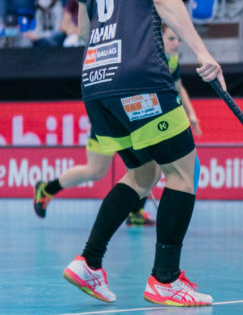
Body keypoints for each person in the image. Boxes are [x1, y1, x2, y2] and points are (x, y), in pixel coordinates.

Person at [58, 0, 223, 306]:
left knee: (143, 171)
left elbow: (87, 26)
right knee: (183, 171)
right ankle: (165, 279)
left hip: (96, 78)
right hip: (139, 75)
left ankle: (89, 263)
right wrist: (202, 52)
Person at [34, 23, 201, 225]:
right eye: (172, 38)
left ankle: (136, 212)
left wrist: (191, 114)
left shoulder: (171, 61)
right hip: (114, 116)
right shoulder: (140, 56)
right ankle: (46, 189)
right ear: (159, 37)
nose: (177, 43)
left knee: (151, 163)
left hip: (139, 118)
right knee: (95, 171)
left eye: (178, 39)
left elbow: (178, 87)